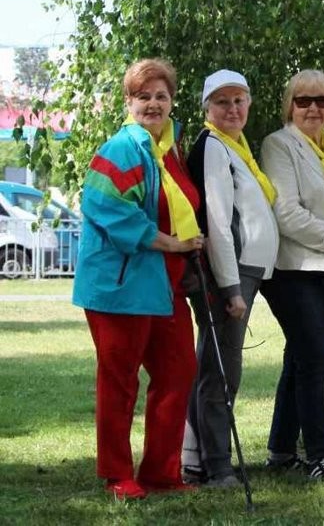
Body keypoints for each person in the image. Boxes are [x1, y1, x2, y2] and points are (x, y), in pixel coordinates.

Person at [73, 58, 205, 499]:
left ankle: (162, 471)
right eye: (143, 96)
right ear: (129, 102)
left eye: (161, 96)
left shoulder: (169, 150)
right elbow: (105, 207)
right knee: (120, 379)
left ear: (172, 102)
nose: (153, 103)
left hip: (164, 285)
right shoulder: (122, 148)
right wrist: (171, 243)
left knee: (178, 370)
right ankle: (117, 474)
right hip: (121, 284)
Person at [260, 70, 324, 479]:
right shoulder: (279, 145)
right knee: (317, 359)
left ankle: (281, 449)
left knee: (301, 357)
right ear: (290, 106)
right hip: (295, 270)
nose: (313, 108)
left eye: (321, 100)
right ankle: (320, 454)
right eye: (303, 101)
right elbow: (286, 212)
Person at [181, 69, 279, 487]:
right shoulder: (213, 147)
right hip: (230, 273)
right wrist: (230, 287)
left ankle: (195, 458)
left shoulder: (234, 147)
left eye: (239, 100)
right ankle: (217, 466)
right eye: (222, 102)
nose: (233, 108)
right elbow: (219, 222)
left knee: (216, 364)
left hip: (244, 270)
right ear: (207, 107)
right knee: (222, 370)